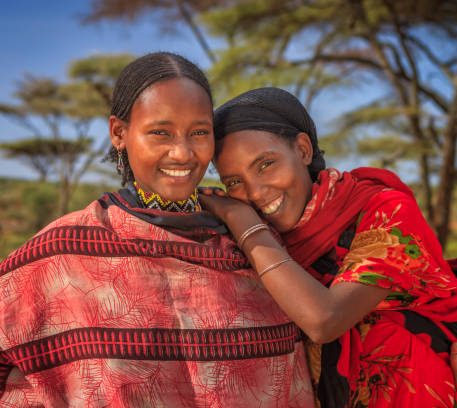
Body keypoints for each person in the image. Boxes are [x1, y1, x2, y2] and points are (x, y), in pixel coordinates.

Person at [0, 56, 314, 407]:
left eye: (199, 132)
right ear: (119, 133)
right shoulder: (57, 256)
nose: (182, 153)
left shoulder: (256, 245)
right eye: (160, 132)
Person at [199, 87, 457, 408]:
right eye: (234, 181)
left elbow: (325, 320)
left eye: (265, 164)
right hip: (330, 392)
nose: (256, 192)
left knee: (374, 333)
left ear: (303, 150)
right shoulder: (269, 238)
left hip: (411, 379)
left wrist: (243, 221)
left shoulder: (383, 209)